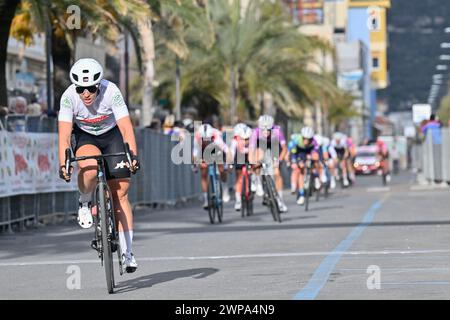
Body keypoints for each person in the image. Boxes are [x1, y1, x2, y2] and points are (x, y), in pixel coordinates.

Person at [57, 58, 140, 273]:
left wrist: (133, 155)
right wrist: (63, 163)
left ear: (99, 85)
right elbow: (65, 135)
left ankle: (128, 252)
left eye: (91, 88)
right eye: (81, 89)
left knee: (120, 193)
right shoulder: (68, 97)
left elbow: (125, 128)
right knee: (91, 167)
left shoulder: (112, 91)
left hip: (111, 135)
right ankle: (85, 201)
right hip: (85, 137)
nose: (86, 94)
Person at [249, 115, 288, 213]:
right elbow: (251, 150)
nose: (266, 132)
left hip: (274, 147)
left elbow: (284, 149)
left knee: (277, 173)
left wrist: (279, 160)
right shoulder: (255, 132)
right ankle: (257, 180)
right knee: (257, 159)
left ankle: (280, 200)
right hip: (260, 146)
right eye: (263, 130)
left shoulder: (277, 131)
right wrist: (253, 163)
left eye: (268, 130)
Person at [192, 123, 232, 209]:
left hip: (216, 149)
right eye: (204, 139)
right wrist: (196, 164)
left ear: (211, 137)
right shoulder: (197, 137)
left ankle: (225, 189)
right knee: (203, 173)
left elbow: (227, 151)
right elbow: (195, 154)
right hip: (202, 151)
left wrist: (227, 165)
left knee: (221, 167)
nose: (206, 141)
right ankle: (206, 200)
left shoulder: (216, 136)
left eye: (208, 139)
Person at [230, 123, 253, 211]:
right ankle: (238, 200)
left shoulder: (253, 138)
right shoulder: (235, 140)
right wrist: (230, 163)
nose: (245, 141)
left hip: (249, 155)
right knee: (239, 178)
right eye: (242, 139)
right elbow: (232, 153)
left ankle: (254, 182)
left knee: (254, 165)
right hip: (239, 156)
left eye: (247, 139)